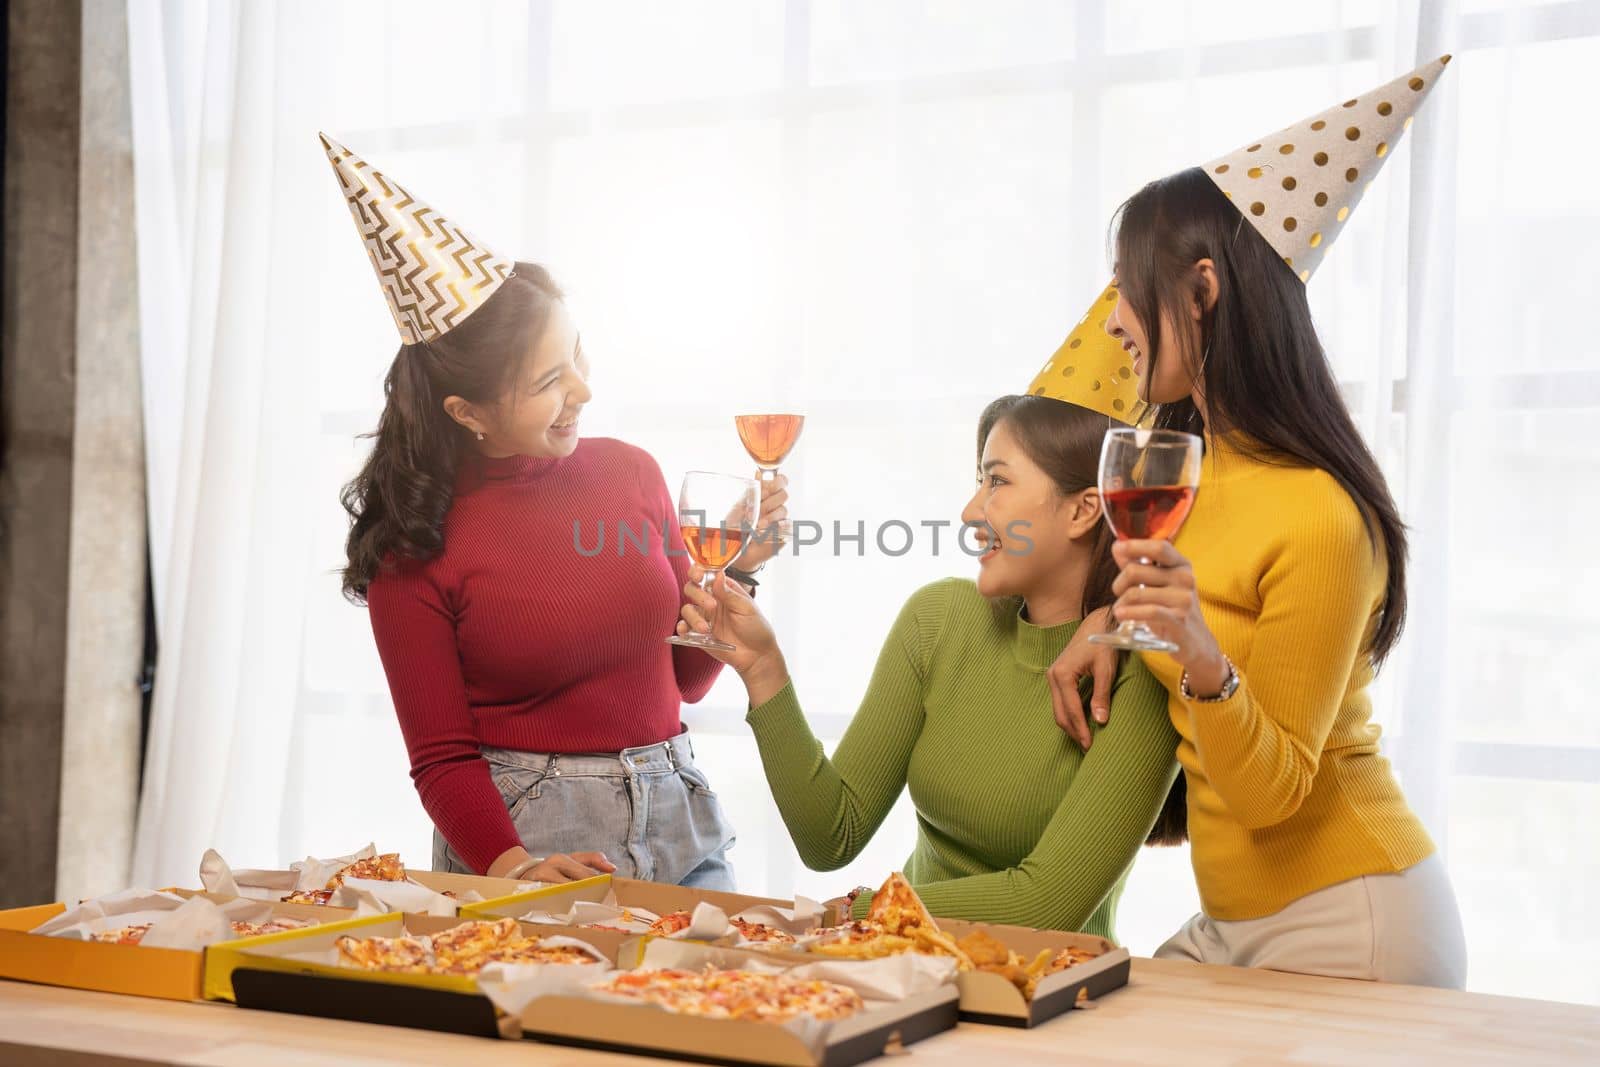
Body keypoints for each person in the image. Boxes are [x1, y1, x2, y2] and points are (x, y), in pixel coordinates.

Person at [1045, 56, 1467, 987]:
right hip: (1235, 917)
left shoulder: (1320, 510)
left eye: (1128, 287)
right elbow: (1196, 603)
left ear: (1202, 289)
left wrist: (1196, 650)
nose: (1113, 320)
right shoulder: (1190, 471)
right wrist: (1107, 623)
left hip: (1351, 919)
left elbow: (1271, 791)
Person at [323, 134, 785, 888]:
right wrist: (515, 866)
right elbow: (440, 757)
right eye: (549, 379)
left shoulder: (631, 472)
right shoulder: (412, 548)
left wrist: (739, 574)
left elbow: (681, 681)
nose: (584, 389)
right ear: (467, 411)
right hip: (533, 848)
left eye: (580, 354)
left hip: (679, 823)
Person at [676, 394, 1182, 937]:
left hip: (1052, 992)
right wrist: (763, 669)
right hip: (903, 972)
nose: (969, 511)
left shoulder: (1142, 673)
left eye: (997, 481)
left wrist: (862, 911)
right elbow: (830, 836)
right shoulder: (941, 619)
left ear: (1082, 510)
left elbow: (1045, 904)